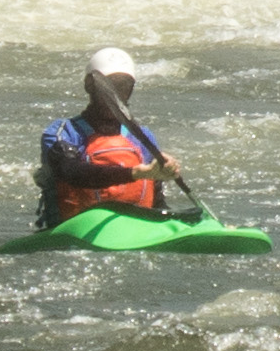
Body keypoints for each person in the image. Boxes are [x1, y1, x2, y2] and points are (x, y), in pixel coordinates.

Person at [34, 47, 184, 229]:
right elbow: (71, 172)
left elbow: (158, 203)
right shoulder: (63, 132)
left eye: (123, 87)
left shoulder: (143, 137)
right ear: (90, 86)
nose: (115, 95)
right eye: (109, 86)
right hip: (70, 230)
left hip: (135, 228)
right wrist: (136, 173)